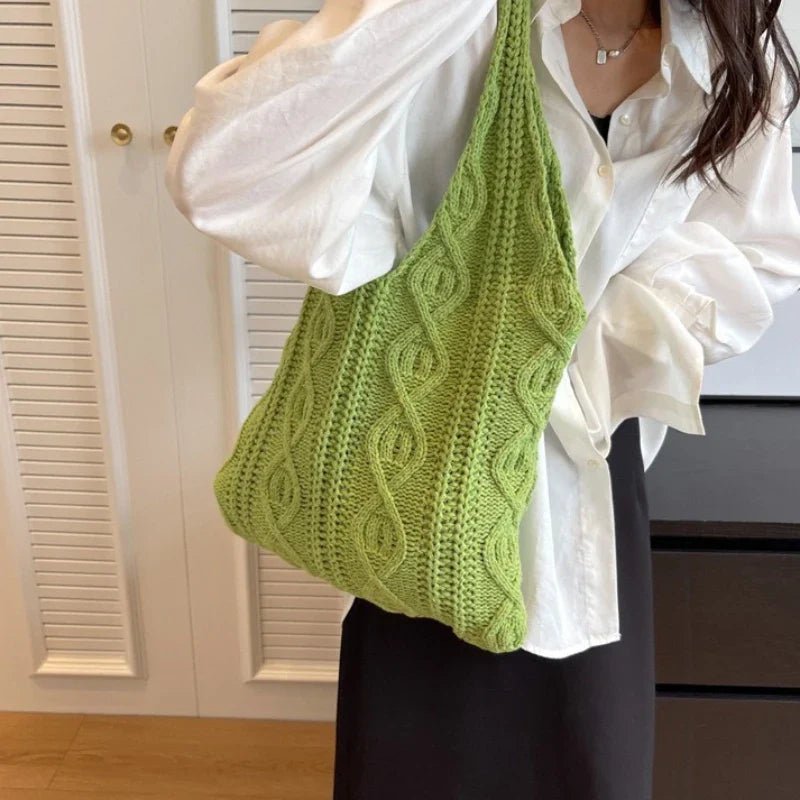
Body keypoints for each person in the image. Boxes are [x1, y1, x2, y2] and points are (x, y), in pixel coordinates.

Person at [164, 1, 800, 797]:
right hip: (413, 462)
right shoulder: (458, 26)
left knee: (588, 759)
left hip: (589, 467)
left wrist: (583, 360)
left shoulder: (730, 51)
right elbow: (221, 178)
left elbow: (759, 250)